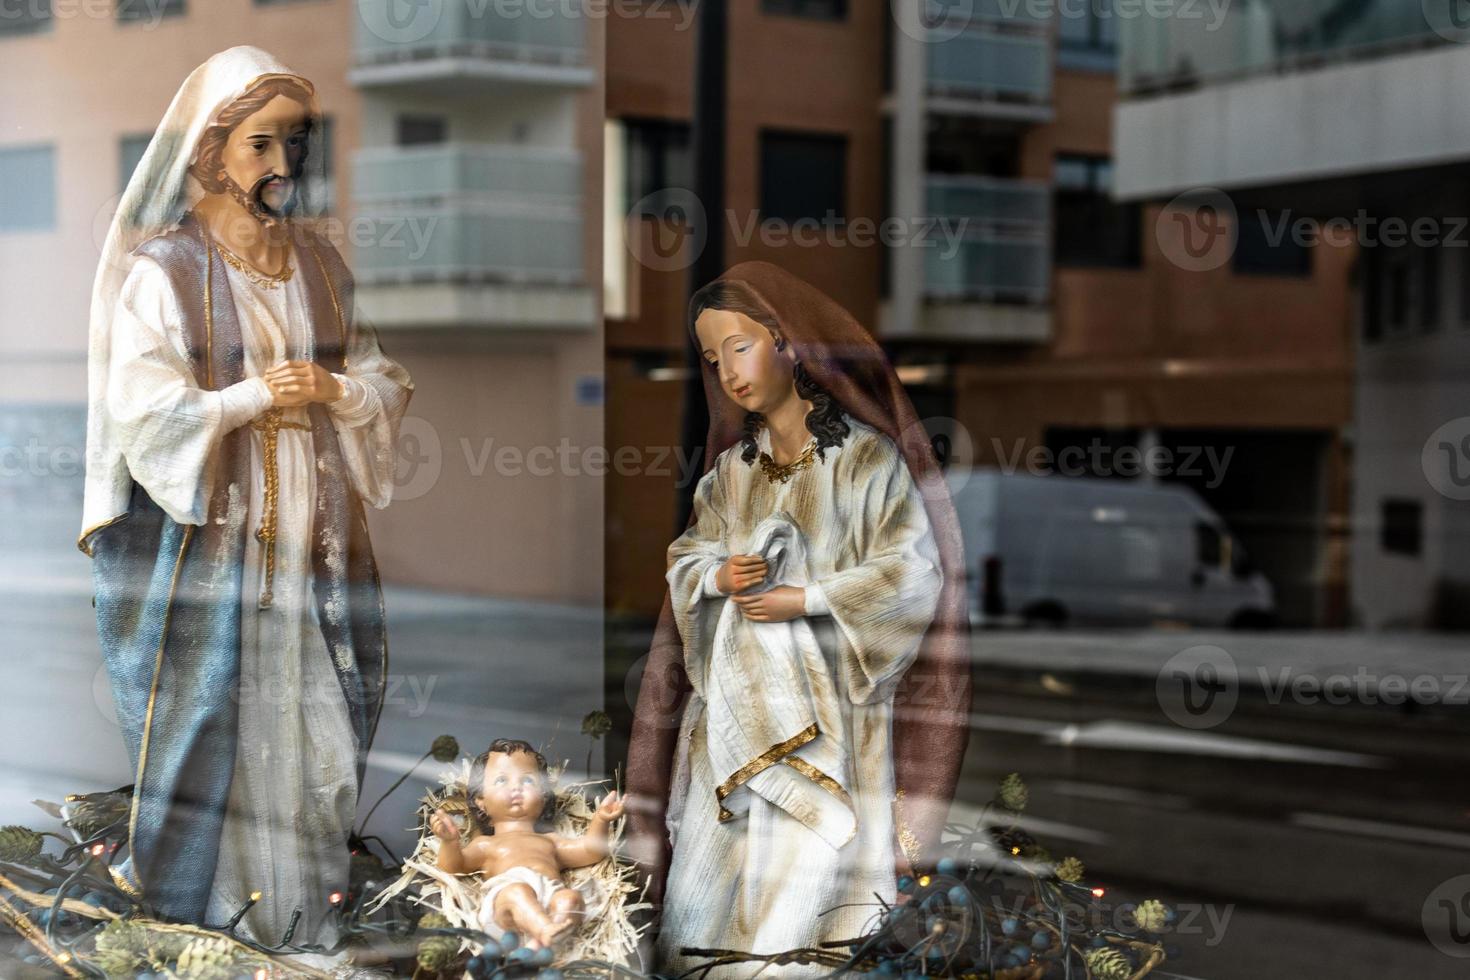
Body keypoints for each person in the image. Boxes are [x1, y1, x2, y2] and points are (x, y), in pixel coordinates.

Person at [81, 46, 412, 948]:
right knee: (221, 734)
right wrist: (259, 395)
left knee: (318, 748)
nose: (280, 165)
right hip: (210, 550)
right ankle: (219, 931)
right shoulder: (166, 270)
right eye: (260, 144)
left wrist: (336, 393)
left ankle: (304, 929)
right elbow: (142, 414)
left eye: (293, 144)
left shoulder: (319, 266)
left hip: (313, 550)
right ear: (212, 150)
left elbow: (382, 378)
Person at [625, 263, 972, 975]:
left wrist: (807, 599)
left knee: (804, 895)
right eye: (713, 359)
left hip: (831, 727)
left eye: (741, 347)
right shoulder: (731, 474)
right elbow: (689, 556)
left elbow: (911, 574)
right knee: (721, 896)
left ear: (791, 347)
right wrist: (715, 574)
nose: (728, 372)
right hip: (733, 720)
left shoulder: (864, 462)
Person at [429, 739, 624, 949]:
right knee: (518, 892)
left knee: (570, 898)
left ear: (543, 798)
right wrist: (449, 842)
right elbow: (453, 866)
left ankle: (540, 945)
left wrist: (601, 820)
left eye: (528, 781)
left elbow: (590, 851)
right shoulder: (486, 844)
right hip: (506, 905)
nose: (516, 787)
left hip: (550, 898)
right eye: (502, 780)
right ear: (481, 801)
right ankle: (545, 933)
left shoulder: (549, 841)